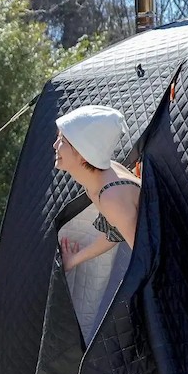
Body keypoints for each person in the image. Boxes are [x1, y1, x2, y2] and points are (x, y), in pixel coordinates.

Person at [54, 104, 141, 270]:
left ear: (84, 154)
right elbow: (115, 232)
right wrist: (73, 260)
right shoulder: (97, 181)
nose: (55, 146)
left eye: (62, 141)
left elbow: (146, 254)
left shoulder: (111, 196)